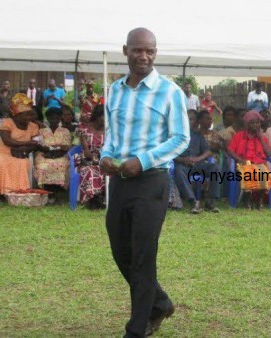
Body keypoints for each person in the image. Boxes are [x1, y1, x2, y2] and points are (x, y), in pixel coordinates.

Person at [99, 27, 189, 337]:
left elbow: (181, 138)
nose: (144, 56)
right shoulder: (115, 90)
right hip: (120, 181)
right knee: (120, 251)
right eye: (138, 50)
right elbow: (112, 134)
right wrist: (105, 157)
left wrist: (145, 160)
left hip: (152, 181)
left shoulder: (170, 91)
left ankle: (137, 328)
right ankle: (160, 302)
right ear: (126, 51)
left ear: (156, 53)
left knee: (142, 254)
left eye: (150, 51)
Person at [0, 93, 41, 201]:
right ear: (16, 115)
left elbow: (36, 143)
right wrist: (27, 143)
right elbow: (7, 141)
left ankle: (16, 194)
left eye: (30, 114)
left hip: (22, 152)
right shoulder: (7, 122)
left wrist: (24, 151)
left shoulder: (33, 126)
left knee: (22, 163)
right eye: (26, 115)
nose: (29, 117)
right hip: (3, 150)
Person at [174, 110, 221, 214]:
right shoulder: (177, 136)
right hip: (183, 165)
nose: (189, 121)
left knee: (215, 167)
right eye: (187, 119)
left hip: (198, 163)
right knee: (178, 170)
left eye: (192, 119)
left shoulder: (198, 136)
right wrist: (183, 160)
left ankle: (211, 201)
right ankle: (193, 201)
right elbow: (172, 154)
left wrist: (197, 159)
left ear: (196, 122)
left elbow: (208, 152)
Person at [227, 110, 271, 210]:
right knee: (247, 173)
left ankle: (260, 201)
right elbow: (230, 150)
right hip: (244, 163)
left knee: (264, 174)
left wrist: (260, 138)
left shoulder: (263, 137)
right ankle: (247, 200)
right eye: (252, 123)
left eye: (257, 123)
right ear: (247, 124)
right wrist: (239, 159)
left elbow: (269, 153)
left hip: (259, 163)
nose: (255, 125)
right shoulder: (239, 136)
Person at [33, 108, 71, 202]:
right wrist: (48, 153)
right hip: (44, 153)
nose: (54, 120)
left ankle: (57, 192)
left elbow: (66, 146)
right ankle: (48, 191)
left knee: (63, 165)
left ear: (60, 118)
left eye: (56, 118)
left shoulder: (65, 131)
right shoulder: (42, 131)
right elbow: (39, 145)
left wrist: (56, 154)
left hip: (61, 154)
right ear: (48, 118)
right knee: (42, 165)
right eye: (51, 118)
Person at [77, 105, 106, 209]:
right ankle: (92, 199)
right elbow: (86, 151)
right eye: (104, 116)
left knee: (112, 170)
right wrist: (94, 157)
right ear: (97, 116)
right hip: (88, 158)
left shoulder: (108, 131)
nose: (106, 119)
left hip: (104, 157)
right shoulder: (84, 129)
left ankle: (103, 197)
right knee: (90, 171)